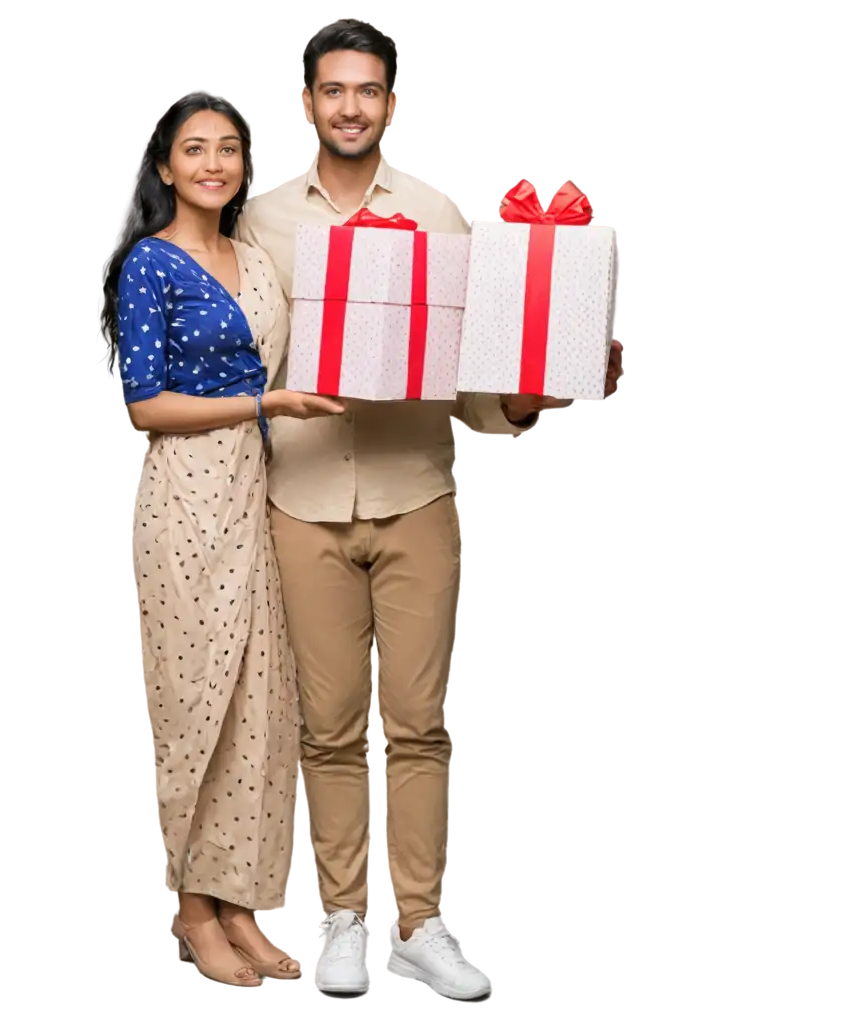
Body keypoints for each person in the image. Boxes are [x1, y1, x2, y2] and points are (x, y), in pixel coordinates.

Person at [234, 17, 619, 1002]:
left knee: (418, 723)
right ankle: (337, 919)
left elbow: (499, 386)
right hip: (303, 499)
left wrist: (554, 365)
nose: (350, 106)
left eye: (368, 90)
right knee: (326, 728)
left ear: (391, 105)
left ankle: (419, 923)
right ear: (306, 104)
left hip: (416, 494)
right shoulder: (264, 221)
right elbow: (240, 362)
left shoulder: (445, 215)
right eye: (333, 90)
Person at [96, 90, 346, 988]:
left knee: (257, 706)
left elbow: (298, 365)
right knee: (193, 699)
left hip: (260, 488)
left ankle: (236, 895)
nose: (214, 163)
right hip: (187, 494)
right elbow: (145, 405)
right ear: (165, 167)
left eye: (229, 148)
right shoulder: (150, 267)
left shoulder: (254, 259)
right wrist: (263, 404)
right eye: (194, 149)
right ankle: (192, 908)